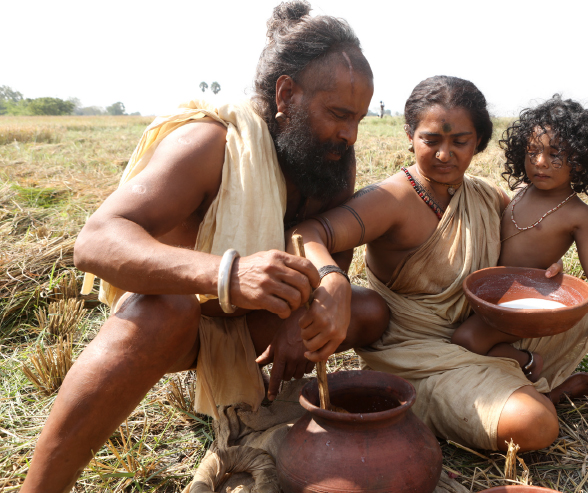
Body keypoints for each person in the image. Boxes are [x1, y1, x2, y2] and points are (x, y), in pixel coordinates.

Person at [21, 2, 390, 492]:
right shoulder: (211, 142)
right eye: (339, 115)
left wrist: (312, 306)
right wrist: (227, 274)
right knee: (164, 311)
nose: (350, 133)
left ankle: (263, 416)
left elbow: (330, 244)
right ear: (286, 94)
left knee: (366, 310)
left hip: (258, 325)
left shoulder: (332, 160)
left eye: (359, 118)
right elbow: (96, 241)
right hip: (187, 326)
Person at [291, 75, 588, 453]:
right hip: (420, 354)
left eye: (461, 141)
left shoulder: (483, 195)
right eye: (431, 139)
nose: (444, 154)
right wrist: (331, 278)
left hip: (485, 330)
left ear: (479, 143)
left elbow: (526, 246)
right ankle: (537, 392)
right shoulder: (390, 198)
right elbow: (310, 233)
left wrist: (558, 268)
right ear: (410, 135)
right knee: (535, 425)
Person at [450, 95, 588, 380]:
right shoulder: (523, 190)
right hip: (492, 292)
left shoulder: (578, 215)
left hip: (525, 302)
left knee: (465, 341)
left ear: (581, 160)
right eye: (532, 151)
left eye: (555, 154)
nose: (540, 162)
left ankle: (528, 361)